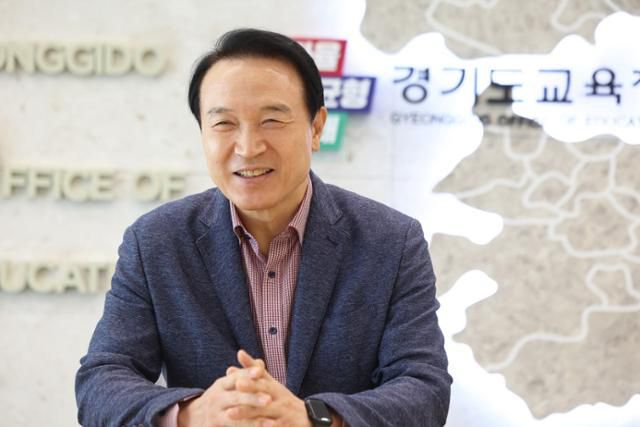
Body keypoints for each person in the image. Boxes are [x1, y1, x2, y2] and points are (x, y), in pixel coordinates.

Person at [75, 28, 451, 427]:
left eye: (271, 120)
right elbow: (100, 382)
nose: (248, 147)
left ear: (316, 127)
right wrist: (193, 414)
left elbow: (424, 388)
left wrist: (314, 419)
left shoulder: (391, 241)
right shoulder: (156, 241)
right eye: (224, 124)